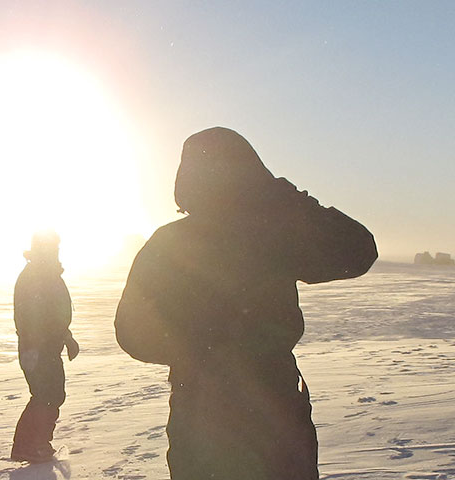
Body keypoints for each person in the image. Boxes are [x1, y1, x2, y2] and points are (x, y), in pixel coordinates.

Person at [114, 127, 377, 479]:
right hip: (259, 412)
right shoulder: (273, 233)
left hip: (210, 415)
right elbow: (358, 250)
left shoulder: (174, 241)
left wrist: (197, 351)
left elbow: (132, 333)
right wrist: (290, 200)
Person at [8, 231, 79, 463]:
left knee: (53, 394)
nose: (56, 252)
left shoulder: (48, 275)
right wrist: (40, 346)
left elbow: (57, 313)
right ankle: (27, 445)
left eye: (56, 248)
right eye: (52, 248)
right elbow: (31, 317)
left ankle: (39, 442)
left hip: (47, 348)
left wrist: (66, 337)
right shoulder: (34, 276)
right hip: (36, 349)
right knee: (44, 394)